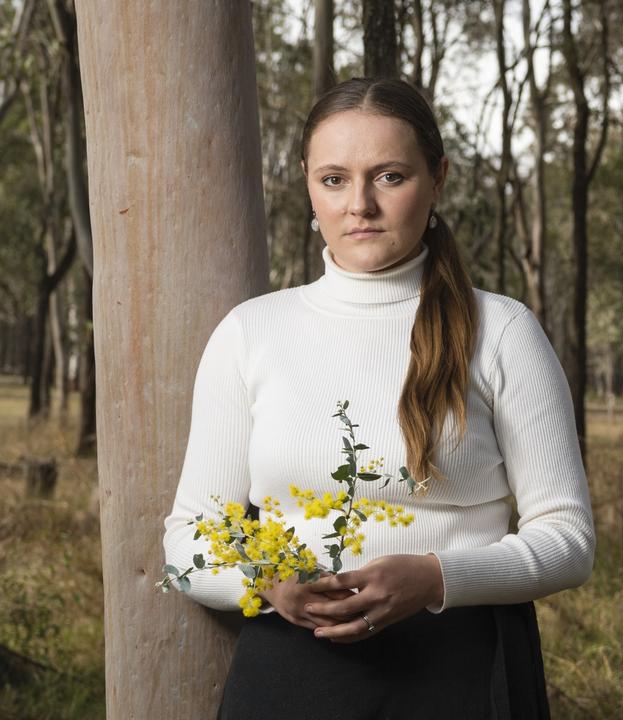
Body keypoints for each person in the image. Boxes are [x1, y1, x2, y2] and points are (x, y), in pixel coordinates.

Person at [161, 76, 595, 719]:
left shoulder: (501, 330)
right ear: (308, 182)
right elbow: (189, 538)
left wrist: (435, 578)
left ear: (437, 178)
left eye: (389, 176)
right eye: (334, 179)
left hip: (462, 671)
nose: (359, 204)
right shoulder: (252, 331)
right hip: (289, 672)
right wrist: (266, 583)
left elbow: (568, 539)